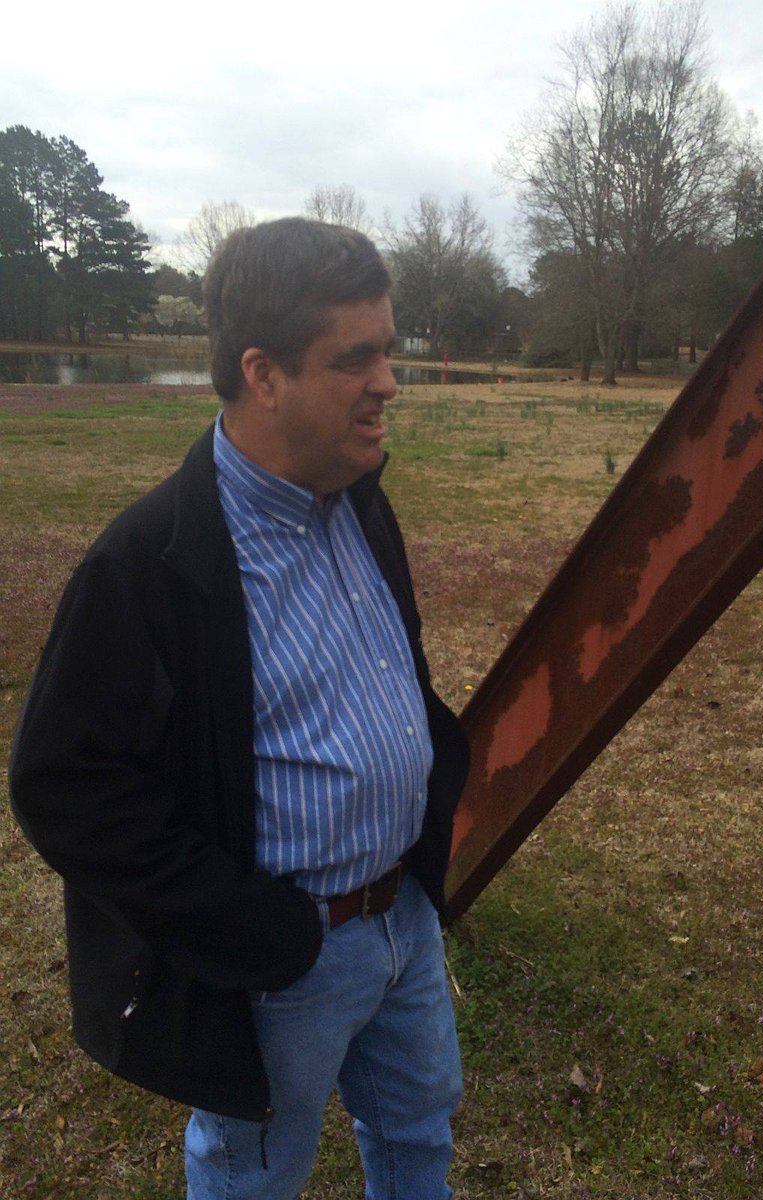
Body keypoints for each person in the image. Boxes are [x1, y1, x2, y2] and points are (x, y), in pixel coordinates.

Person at [9, 217, 470, 1199]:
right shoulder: (147, 563)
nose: (389, 381)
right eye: (357, 358)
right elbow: (64, 785)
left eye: (388, 350)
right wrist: (248, 927)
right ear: (264, 375)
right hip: (282, 962)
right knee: (252, 1180)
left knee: (419, 1130)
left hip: (406, 920)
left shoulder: (360, 498)